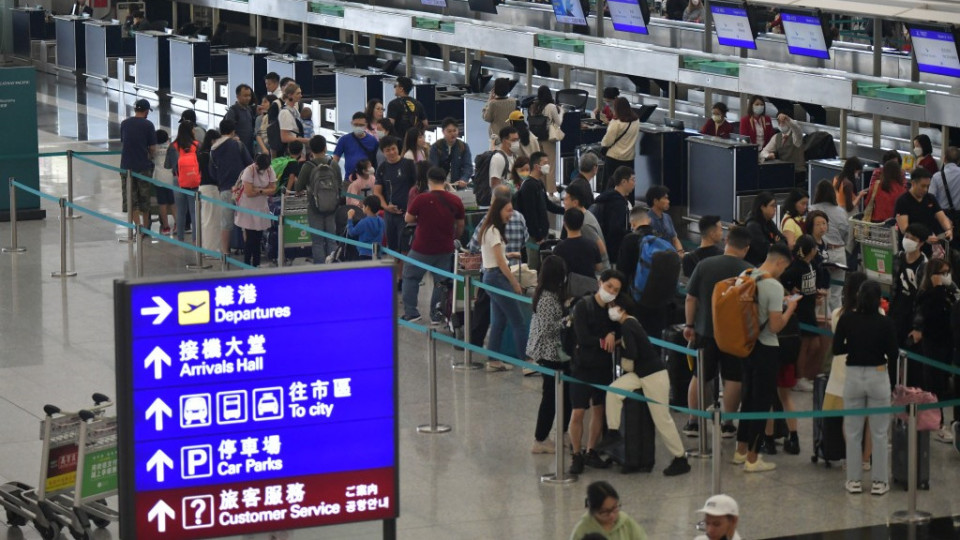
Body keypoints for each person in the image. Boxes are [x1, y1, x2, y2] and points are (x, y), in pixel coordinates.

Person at [731, 244, 798, 472]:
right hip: (766, 348)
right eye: (784, 267)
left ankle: (741, 450)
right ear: (780, 262)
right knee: (762, 402)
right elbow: (775, 326)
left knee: (748, 398)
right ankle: (753, 458)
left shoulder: (746, 274)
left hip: (746, 345)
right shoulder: (773, 286)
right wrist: (790, 308)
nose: (783, 272)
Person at [605, 303, 692, 476]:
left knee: (662, 419)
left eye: (614, 306)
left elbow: (633, 353)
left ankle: (680, 457)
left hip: (653, 376)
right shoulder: (632, 322)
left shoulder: (627, 325)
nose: (611, 309)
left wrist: (621, 354)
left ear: (622, 308)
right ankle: (613, 431)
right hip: (641, 374)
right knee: (614, 390)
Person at [681, 226, 752, 438]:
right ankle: (728, 425)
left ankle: (693, 422)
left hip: (705, 330)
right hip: (735, 334)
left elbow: (690, 298)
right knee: (733, 378)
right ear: (746, 248)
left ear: (726, 241)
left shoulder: (705, 265)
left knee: (700, 375)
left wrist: (689, 325)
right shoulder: (749, 271)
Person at [833, 280, 896, 495]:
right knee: (879, 433)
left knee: (853, 432)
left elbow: (836, 349)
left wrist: (854, 345)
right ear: (879, 300)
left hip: (853, 375)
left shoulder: (847, 319)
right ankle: (879, 482)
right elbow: (893, 353)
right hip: (878, 374)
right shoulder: (886, 322)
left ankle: (854, 480)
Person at [767, 234, 821, 453]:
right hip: (788, 345)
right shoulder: (783, 284)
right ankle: (794, 438)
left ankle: (768, 441)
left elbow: (773, 325)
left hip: (771, 349)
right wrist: (791, 306)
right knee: (785, 396)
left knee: (770, 398)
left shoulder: (768, 287)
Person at [568, 270, 624, 474]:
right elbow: (583, 337)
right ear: (600, 283)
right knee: (578, 412)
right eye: (609, 286)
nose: (611, 292)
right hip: (582, 366)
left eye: (616, 290)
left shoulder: (613, 311)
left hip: (602, 366)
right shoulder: (583, 306)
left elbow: (620, 332)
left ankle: (591, 451)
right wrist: (605, 340)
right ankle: (576, 453)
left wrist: (613, 332)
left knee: (599, 409)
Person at [402, 167, 466, 323]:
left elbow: (408, 219)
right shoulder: (455, 200)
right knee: (441, 282)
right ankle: (437, 314)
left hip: (422, 247)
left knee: (410, 276)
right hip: (445, 248)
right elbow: (460, 225)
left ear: (429, 180)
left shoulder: (421, 199)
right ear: (445, 181)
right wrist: (453, 238)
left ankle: (411, 313)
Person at [911, 258, 959, 444]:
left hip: (947, 344)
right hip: (932, 345)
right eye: (941, 273)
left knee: (944, 384)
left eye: (947, 272)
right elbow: (930, 313)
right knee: (934, 385)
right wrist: (937, 288)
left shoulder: (949, 292)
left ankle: (945, 422)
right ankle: (937, 424)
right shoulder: (927, 295)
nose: (945, 276)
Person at [527, 255, 571, 454]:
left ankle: (563, 431)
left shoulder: (552, 294)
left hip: (557, 352)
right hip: (549, 353)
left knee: (565, 394)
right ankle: (540, 438)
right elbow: (548, 329)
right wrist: (567, 320)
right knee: (550, 396)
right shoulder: (546, 298)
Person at [478, 194, 526, 372]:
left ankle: (493, 360)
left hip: (491, 276)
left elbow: (495, 256)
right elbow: (499, 262)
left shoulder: (489, 229)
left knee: (499, 321)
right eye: (508, 210)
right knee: (518, 321)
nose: (510, 214)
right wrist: (514, 283)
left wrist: (509, 255)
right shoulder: (494, 231)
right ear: (498, 210)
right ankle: (527, 361)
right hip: (497, 277)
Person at [294, 135, 342, 264]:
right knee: (331, 239)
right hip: (332, 207)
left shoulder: (308, 166)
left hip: (314, 207)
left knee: (317, 241)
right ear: (325, 148)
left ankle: (320, 269)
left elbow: (298, 188)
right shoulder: (333, 164)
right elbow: (340, 185)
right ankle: (333, 268)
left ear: (311, 150)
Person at [209, 118, 254, 255]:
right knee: (245, 221)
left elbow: (212, 171)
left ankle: (225, 251)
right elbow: (250, 164)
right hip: (241, 188)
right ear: (233, 131)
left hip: (224, 188)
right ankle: (248, 251)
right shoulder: (238, 145)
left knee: (226, 222)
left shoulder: (214, 149)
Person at [809, 179, 851, 313]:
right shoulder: (841, 211)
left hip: (819, 253)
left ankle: (822, 321)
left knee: (820, 290)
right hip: (839, 252)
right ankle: (836, 321)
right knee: (837, 293)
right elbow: (846, 233)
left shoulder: (812, 209)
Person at [373, 136, 418, 259]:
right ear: (383, 152)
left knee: (406, 249)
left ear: (397, 148)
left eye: (393, 148)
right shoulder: (382, 168)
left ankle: (405, 271)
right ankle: (395, 271)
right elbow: (377, 192)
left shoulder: (409, 164)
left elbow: (417, 188)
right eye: (387, 150)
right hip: (390, 215)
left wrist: (412, 209)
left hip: (407, 214)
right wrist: (386, 207)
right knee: (392, 249)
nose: (391, 152)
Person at [119, 99, 157, 233]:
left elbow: (124, 142)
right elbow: (152, 148)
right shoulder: (148, 125)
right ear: (146, 111)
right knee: (144, 199)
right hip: (143, 167)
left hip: (126, 166)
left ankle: (138, 226)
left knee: (131, 199)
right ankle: (146, 228)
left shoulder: (124, 123)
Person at [889, 222, 930, 346]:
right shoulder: (898, 258)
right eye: (906, 236)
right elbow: (893, 285)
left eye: (913, 239)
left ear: (921, 243)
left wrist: (918, 328)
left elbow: (924, 299)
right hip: (895, 313)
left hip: (912, 317)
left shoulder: (924, 266)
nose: (908, 240)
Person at [235, 154, 277, 267]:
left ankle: (256, 263)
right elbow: (248, 193)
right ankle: (247, 263)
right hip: (247, 207)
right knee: (250, 238)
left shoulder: (269, 170)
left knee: (258, 238)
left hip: (261, 207)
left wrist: (258, 190)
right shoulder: (249, 171)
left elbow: (273, 189)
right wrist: (265, 190)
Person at [895, 167, 954, 246]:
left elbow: (942, 218)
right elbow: (904, 229)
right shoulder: (903, 201)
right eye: (922, 186)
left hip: (928, 246)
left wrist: (948, 229)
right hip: (910, 246)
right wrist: (924, 238)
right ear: (913, 183)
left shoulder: (930, 198)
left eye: (928, 186)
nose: (926, 189)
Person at [515, 151, 563, 247]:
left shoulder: (539, 183)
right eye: (545, 163)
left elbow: (547, 204)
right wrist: (538, 236)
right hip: (534, 237)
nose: (548, 166)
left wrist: (565, 210)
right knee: (534, 257)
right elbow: (530, 214)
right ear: (537, 166)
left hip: (543, 233)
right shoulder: (528, 186)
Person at [569, 481, 647, 540]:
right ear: (592, 510)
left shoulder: (627, 523)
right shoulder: (581, 531)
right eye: (604, 512)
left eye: (615, 508)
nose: (612, 515)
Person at [165, 122, 201, 243]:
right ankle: (196, 238)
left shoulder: (173, 146)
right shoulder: (196, 145)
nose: (194, 131)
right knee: (194, 211)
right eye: (193, 129)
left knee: (180, 211)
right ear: (190, 131)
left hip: (178, 180)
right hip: (194, 179)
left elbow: (167, 165)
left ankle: (180, 238)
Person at [591, 166, 634, 266]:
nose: (634, 183)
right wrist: (631, 234)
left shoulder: (606, 197)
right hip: (614, 253)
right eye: (633, 180)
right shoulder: (618, 204)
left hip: (601, 247)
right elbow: (616, 230)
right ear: (624, 182)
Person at [564, 182, 609, 270]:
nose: (564, 203)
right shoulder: (585, 215)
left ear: (575, 202)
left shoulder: (584, 224)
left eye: (566, 199)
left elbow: (601, 249)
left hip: (598, 272)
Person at [530, 85, 563, 195]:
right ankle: (551, 192)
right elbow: (558, 122)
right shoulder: (551, 107)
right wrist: (561, 112)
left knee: (540, 165)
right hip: (548, 138)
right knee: (550, 165)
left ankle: (542, 190)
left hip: (537, 137)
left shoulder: (534, 106)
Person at [600, 98, 640, 189]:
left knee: (612, 185)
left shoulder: (616, 123)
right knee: (627, 185)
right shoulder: (636, 121)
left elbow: (607, 142)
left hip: (614, 159)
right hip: (629, 159)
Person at [554, 209, 603, 280]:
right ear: (582, 224)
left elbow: (556, 270)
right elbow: (599, 267)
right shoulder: (592, 244)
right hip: (589, 284)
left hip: (570, 285)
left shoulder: (559, 247)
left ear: (564, 224)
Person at [618, 205, 656, 289]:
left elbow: (622, 269)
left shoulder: (629, 239)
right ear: (649, 221)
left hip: (637, 289)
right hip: (656, 288)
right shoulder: (659, 238)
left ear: (632, 224)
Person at [334, 112, 380, 181]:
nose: (358, 127)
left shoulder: (373, 141)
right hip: (349, 180)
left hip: (367, 181)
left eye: (361, 125)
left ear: (366, 125)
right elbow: (335, 161)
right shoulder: (344, 139)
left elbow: (377, 161)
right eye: (355, 124)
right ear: (351, 123)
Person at [744, 191, 786, 266]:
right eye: (772, 206)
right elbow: (765, 251)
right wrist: (775, 244)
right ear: (762, 207)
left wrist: (774, 245)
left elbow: (784, 240)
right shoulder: (753, 226)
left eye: (775, 206)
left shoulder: (769, 222)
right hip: (756, 265)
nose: (775, 209)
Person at [428, 117, 473, 188]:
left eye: (454, 130)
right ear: (443, 132)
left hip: (458, 186)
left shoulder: (463, 146)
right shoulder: (436, 147)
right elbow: (433, 167)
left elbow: (468, 166)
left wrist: (464, 179)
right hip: (440, 186)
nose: (453, 134)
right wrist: (439, 181)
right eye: (449, 131)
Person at [760, 113, 805, 181]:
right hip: (783, 170)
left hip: (797, 172)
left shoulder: (796, 136)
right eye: (779, 122)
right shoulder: (776, 137)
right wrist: (768, 155)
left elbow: (797, 128)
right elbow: (763, 152)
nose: (781, 124)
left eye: (783, 121)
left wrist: (788, 119)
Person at [197, 129, 221, 254]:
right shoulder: (210, 155)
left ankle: (208, 248)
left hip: (203, 187)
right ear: (212, 141)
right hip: (211, 188)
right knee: (212, 220)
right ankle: (211, 250)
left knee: (207, 220)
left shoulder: (201, 153)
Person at [864, 158, 907, 223]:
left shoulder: (876, 185)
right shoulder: (902, 190)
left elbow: (867, 202)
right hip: (893, 224)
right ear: (899, 173)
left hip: (876, 223)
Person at [930, 146, 960, 235]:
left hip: (942, 216)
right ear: (958, 161)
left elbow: (931, 198)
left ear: (944, 159)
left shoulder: (936, 177)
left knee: (944, 241)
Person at [646, 186, 684, 254]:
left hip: (671, 255)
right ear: (655, 201)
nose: (668, 201)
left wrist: (680, 252)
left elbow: (675, 239)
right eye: (665, 198)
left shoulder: (667, 217)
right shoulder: (646, 220)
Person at [345, 196, 385, 260]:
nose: (362, 208)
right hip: (377, 252)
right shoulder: (381, 221)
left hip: (364, 253)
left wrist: (350, 218)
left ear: (367, 208)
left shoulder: (364, 222)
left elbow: (351, 233)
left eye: (363, 206)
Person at [152, 129, 175, 236]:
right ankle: (178, 224)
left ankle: (166, 227)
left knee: (162, 204)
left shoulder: (154, 148)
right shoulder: (172, 147)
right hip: (171, 178)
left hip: (159, 178)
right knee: (173, 203)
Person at [223, 84, 256, 155]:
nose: (248, 98)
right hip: (237, 151)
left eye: (249, 95)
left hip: (249, 150)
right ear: (238, 96)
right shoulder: (233, 111)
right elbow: (228, 132)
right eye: (245, 96)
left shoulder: (249, 109)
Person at [277, 83, 309, 153]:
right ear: (290, 95)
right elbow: (284, 137)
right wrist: (304, 140)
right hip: (292, 150)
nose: (301, 96)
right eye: (298, 93)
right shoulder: (285, 113)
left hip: (298, 148)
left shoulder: (294, 109)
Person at [488, 126, 519, 193]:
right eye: (513, 140)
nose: (516, 143)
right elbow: (495, 184)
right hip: (503, 197)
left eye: (517, 140)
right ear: (504, 141)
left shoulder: (515, 157)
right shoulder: (498, 158)